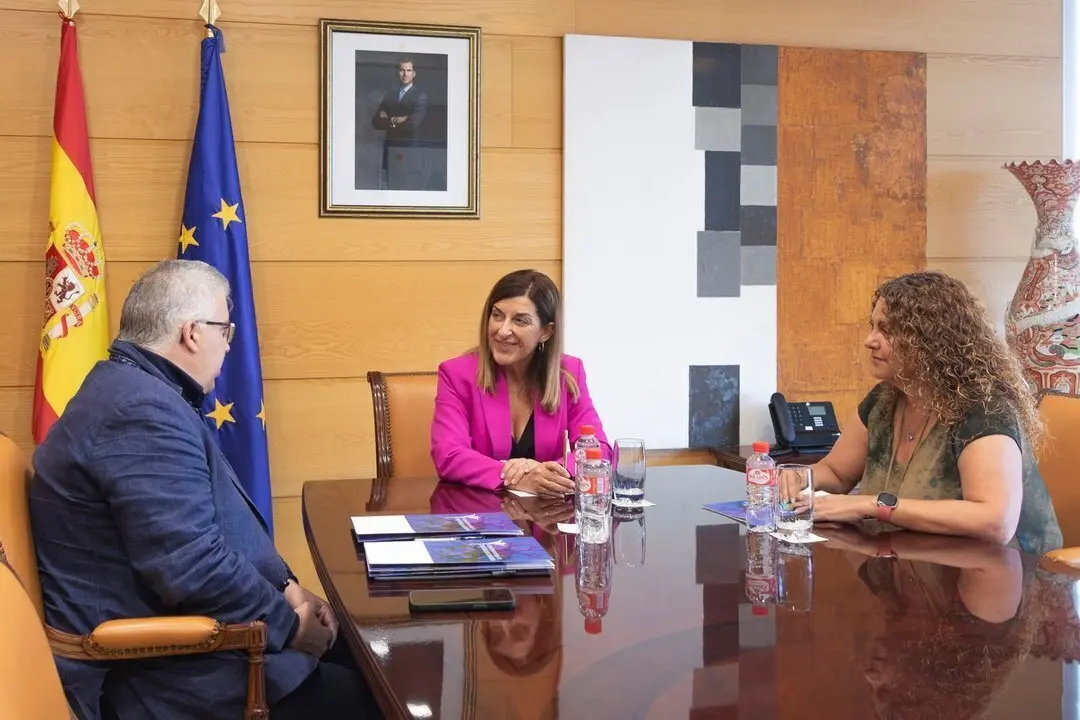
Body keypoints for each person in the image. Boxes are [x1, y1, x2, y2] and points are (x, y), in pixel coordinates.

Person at [29, 260, 379, 720]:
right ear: (193, 333)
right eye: (225, 330)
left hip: (187, 639)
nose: (228, 345)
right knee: (383, 693)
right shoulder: (140, 410)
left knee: (372, 650)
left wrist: (288, 588)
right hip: (162, 674)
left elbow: (222, 522)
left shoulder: (133, 387)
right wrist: (288, 626)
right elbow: (190, 568)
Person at [788, 271, 1061, 553]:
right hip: (915, 566)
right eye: (873, 326)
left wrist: (872, 504)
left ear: (931, 340)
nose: (870, 340)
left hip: (1008, 577)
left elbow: (995, 522)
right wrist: (799, 477)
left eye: (887, 330)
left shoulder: (984, 409)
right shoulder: (884, 399)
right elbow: (836, 472)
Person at [430, 269, 611, 496]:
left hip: (546, 521)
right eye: (497, 315)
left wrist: (550, 474)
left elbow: (600, 450)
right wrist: (520, 476)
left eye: (520, 320)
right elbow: (449, 454)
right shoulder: (457, 374)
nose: (503, 330)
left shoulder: (568, 373)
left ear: (546, 331)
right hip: (480, 514)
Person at [370, 58, 429, 190]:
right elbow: (376, 122)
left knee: (410, 196)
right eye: (402, 70)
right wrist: (397, 119)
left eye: (409, 70)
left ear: (414, 73)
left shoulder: (420, 96)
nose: (405, 74)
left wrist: (389, 118)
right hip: (390, 153)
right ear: (398, 72)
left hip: (410, 155)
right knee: (391, 193)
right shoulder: (390, 95)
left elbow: (412, 124)